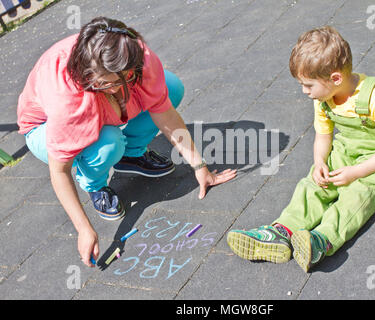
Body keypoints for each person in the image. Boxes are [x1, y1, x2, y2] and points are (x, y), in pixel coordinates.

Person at [17, 17, 236, 267]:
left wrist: (200, 167)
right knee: (108, 142)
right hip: (43, 128)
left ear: (130, 70)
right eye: (96, 81)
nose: (97, 85)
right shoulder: (71, 93)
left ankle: (132, 156)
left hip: (102, 97)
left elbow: (164, 113)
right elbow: (59, 170)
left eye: (105, 81)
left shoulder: (137, 53)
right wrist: (84, 229)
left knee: (170, 86)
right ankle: (95, 184)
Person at [226, 26, 375, 272]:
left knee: (358, 195)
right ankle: (282, 231)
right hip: (348, 150)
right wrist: (320, 162)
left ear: (335, 79)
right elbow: (323, 136)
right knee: (313, 185)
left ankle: (321, 240)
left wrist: (356, 172)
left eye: (308, 85)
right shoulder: (325, 97)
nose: (305, 92)